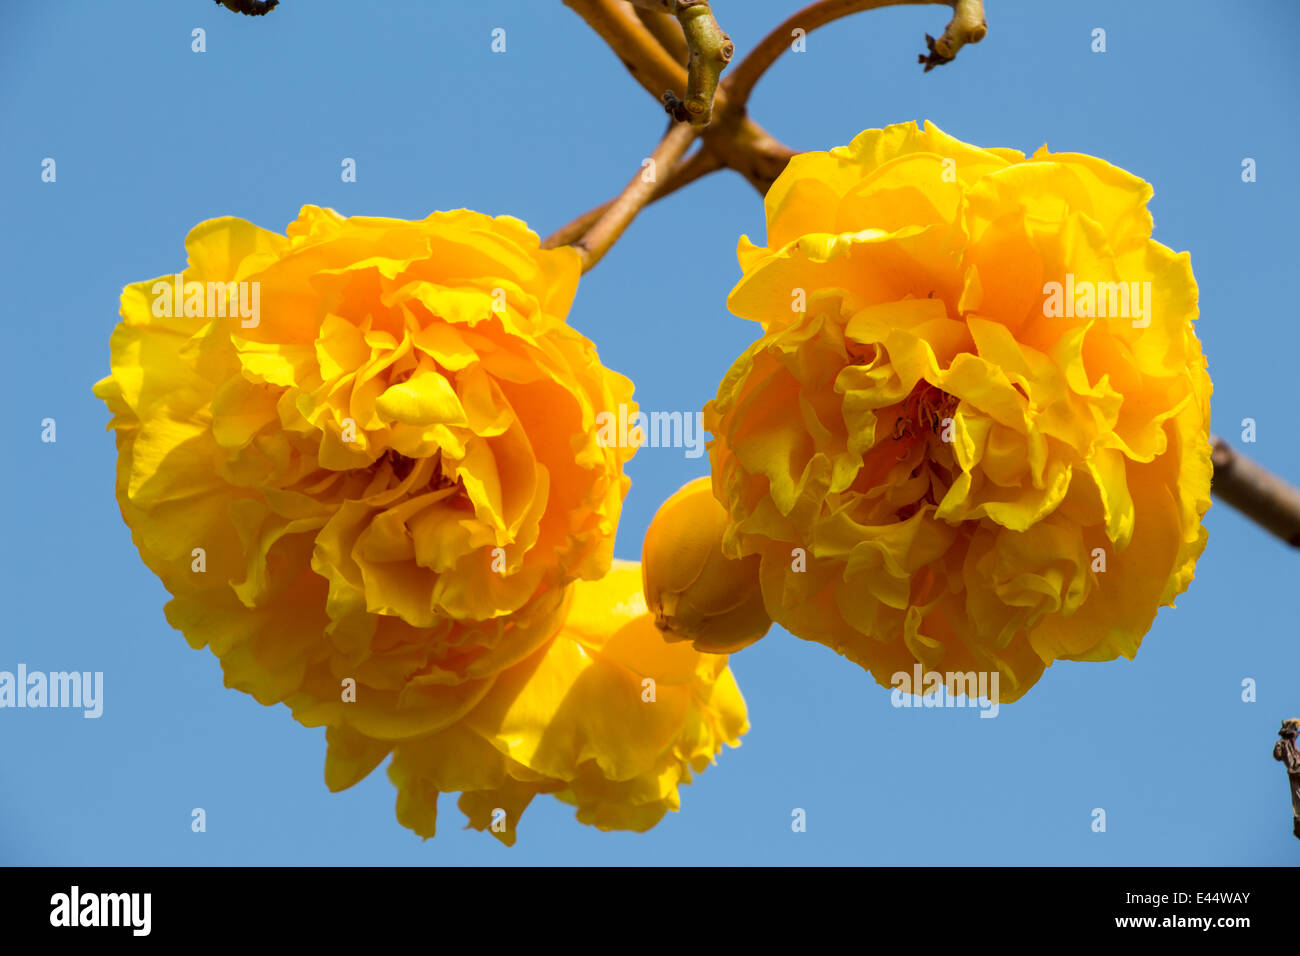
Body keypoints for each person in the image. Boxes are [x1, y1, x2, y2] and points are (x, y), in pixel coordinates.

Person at [1274, 718, 1300, 840]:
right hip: (1295, 771)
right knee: (1297, 795)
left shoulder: (1295, 748)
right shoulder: (1284, 743)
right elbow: (1277, 755)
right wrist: (1280, 744)